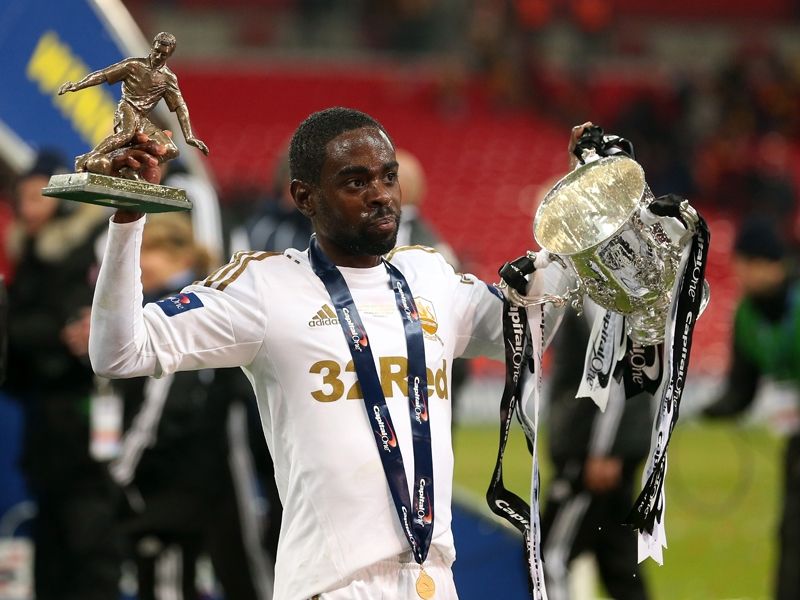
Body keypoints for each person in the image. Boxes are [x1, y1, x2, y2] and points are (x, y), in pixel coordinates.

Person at [88, 108, 581, 600]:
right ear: (304, 196)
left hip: (434, 579)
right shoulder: (266, 288)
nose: (381, 195)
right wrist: (129, 217)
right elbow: (120, 351)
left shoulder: (431, 276)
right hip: (332, 586)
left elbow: (531, 324)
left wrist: (589, 209)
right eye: (355, 182)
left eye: (388, 177)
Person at [110, 213, 273, 600]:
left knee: (222, 572)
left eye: (147, 253)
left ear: (178, 256)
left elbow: (160, 405)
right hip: (199, 478)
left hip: (187, 479)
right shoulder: (186, 304)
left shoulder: (178, 312)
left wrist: (119, 472)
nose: (138, 266)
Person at [3, 150, 121, 600]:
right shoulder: (32, 253)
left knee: (87, 540)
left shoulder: (86, 253)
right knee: (51, 540)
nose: (27, 207)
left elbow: (66, 327)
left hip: (83, 424)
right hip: (45, 425)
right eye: (22, 198)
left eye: (38, 196)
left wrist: (24, 330)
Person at [703, 217, 800, 600]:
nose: (739, 273)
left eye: (744, 263)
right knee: (792, 534)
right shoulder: (746, 315)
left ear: (769, 263)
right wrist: (695, 412)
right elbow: (739, 391)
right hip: (794, 441)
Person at [541, 301, 652, 600]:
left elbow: (614, 375)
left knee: (548, 558)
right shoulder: (622, 289)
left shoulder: (600, 296)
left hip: (592, 456)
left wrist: (603, 450)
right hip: (609, 449)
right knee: (619, 564)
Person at [57, 32, 208, 173]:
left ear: (170, 55)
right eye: (156, 51)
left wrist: (189, 136)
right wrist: (76, 85)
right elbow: (102, 75)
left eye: (163, 55)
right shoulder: (133, 65)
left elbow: (180, 106)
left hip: (142, 117)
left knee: (171, 150)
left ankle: (129, 169)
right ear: (152, 47)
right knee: (126, 134)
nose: (158, 57)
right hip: (127, 108)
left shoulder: (168, 78)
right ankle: (87, 158)